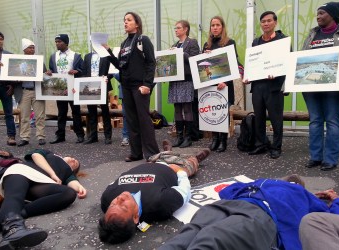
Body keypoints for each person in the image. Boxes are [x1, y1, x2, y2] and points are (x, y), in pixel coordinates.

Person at [159, 175, 339, 250]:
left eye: (293, 182)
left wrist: (336, 200)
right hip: (228, 206)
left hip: (263, 215)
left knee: (212, 237)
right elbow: (226, 191)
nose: (289, 182)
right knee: (187, 235)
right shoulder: (260, 183)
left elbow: (332, 222)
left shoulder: (303, 196)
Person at [99, 140, 210, 244]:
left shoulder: (107, 198)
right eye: (124, 207)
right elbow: (184, 190)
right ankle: (196, 159)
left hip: (153, 161)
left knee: (163, 155)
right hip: (174, 168)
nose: (120, 199)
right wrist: (180, 172)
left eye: (113, 204)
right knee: (189, 165)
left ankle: (168, 151)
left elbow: (116, 180)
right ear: (135, 218)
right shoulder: (160, 204)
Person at [0, 149, 87, 249]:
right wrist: (52, 174)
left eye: (76, 164)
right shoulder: (51, 154)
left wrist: (80, 188)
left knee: (68, 193)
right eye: (72, 158)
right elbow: (36, 155)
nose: (74, 160)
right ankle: (12, 228)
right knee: (15, 194)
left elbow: (73, 183)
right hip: (22, 171)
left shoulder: (68, 173)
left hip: (41, 183)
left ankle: (8, 213)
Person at [302, 2, 339, 171]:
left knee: (333, 121)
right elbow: (300, 59)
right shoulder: (312, 34)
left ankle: (330, 159)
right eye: (317, 14)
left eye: (321, 13)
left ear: (332, 15)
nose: (318, 16)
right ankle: (316, 157)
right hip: (311, 86)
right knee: (315, 121)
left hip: (335, 88)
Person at [105, 12, 159, 162]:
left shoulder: (143, 40)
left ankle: (152, 153)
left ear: (137, 23)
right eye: (124, 21)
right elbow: (120, 65)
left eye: (129, 20)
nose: (125, 23)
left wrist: (147, 84)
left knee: (144, 119)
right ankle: (136, 153)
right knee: (131, 120)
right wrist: (108, 51)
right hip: (126, 86)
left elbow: (151, 63)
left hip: (139, 86)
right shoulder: (124, 44)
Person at [243, 11, 287, 159]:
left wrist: (278, 72)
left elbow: (287, 62)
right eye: (263, 21)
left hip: (274, 86)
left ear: (275, 22)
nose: (266, 24)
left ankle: (276, 147)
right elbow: (252, 64)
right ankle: (260, 144)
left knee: (276, 118)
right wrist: (248, 77)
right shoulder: (256, 42)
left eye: (269, 21)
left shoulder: (283, 40)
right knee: (259, 117)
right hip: (257, 86)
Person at [203, 16, 244, 153]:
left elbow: (234, 64)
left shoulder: (229, 43)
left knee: (223, 112)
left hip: (225, 84)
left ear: (222, 27)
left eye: (217, 25)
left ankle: (222, 140)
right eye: (212, 25)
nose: (214, 27)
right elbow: (203, 67)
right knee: (212, 112)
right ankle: (214, 139)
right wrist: (205, 55)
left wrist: (225, 81)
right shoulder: (206, 45)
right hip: (211, 84)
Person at [47, 34, 85, 144]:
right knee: (61, 112)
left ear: (66, 43)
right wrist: (50, 72)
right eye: (56, 42)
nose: (57, 43)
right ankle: (60, 135)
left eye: (59, 41)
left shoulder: (76, 56)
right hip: (60, 88)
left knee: (75, 112)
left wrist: (76, 71)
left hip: (73, 88)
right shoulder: (53, 56)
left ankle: (80, 135)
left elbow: (83, 70)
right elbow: (52, 70)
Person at [169, 20, 200, 149]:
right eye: (175, 28)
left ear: (186, 29)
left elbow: (194, 60)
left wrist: (180, 53)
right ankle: (179, 136)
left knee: (187, 109)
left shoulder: (192, 43)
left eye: (178, 28)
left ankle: (188, 137)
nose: (176, 30)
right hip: (175, 80)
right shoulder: (174, 44)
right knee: (177, 109)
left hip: (187, 79)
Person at [14, 38, 47, 147]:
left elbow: (45, 75)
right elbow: (12, 76)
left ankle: (41, 136)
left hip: (37, 91)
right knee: (24, 116)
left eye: (33, 47)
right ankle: (24, 137)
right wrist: (16, 79)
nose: (32, 49)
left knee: (40, 115)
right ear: (24, 49)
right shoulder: (18, 62)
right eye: (30, 47)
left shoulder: (39, 61)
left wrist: (48, 73)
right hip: (24, 92)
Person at [82, 49, 113, 145]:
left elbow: (112, 71)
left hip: (102, 85)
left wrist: (107, 77)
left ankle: (108, 136)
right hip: (90, 86)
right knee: (91, 112)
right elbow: (84, 71)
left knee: (105, 111)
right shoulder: (87, 56)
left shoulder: (106, 55)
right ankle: (93, 136)